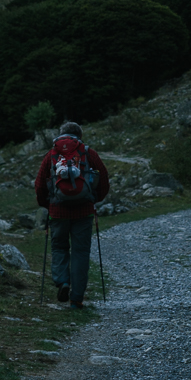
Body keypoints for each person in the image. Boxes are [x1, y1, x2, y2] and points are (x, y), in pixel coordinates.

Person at [34, 121, 110, 309]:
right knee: (81, 252)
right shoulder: (88, 153)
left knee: (59, 248)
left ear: (61, 135)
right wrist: (94, 199)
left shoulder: (51, 155)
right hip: (83, 211)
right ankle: (76, 299)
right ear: (79, 136)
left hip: (57, 212)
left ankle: (63, 282)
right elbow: (104, 180)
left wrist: (47, 205)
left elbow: (39, 185)